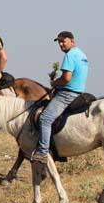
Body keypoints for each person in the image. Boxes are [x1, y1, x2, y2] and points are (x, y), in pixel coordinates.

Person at [30, 31, 89, 164]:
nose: (61, 44)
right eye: (59, 42)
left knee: (45, 118)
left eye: (64, 41)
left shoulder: (70, 55)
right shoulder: (82, 55)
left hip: (67, 93)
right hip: (78, 92)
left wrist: (55, 83)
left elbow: (66, 78)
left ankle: (42, 152)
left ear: (72, 41)